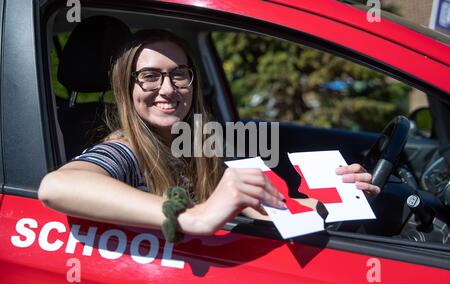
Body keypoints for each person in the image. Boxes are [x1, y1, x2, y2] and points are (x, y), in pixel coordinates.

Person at [38, 29, 380, 241]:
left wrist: (342, 201)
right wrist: (192, 217)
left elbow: (260, 210)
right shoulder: (126, 149)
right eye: (150, 76)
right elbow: (56, 186)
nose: (168, 89)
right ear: (127, 88)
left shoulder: (194, 142)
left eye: (179, 75)